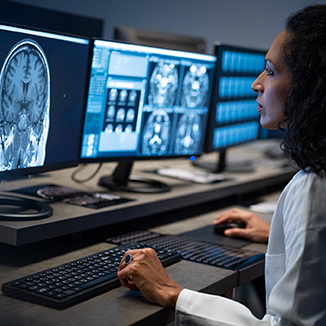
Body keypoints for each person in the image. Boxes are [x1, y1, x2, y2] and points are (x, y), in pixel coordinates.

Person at [117, 4, 326, 325]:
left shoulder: (316, 185)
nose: (256, 84)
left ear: (310, 87)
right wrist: (285, 237)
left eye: (270, 71)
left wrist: (174, 293)